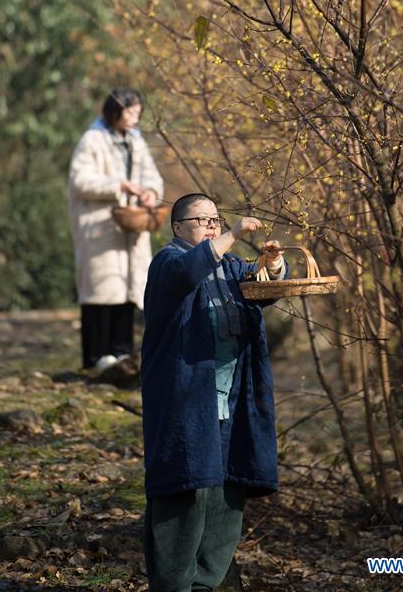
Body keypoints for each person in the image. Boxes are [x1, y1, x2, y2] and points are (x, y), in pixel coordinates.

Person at [141, 192, 288, 592]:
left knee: (227, 490)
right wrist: (235, 232)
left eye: (215, 219)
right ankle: (173, 585)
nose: (211, 225)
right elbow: (190, 272)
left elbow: (268, 288)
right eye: (201, 219)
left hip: (233, 399)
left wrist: (273, 263)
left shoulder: (232, 267)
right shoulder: (168, 263)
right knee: (186, 490)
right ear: (177, 228)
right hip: (185, 401)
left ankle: (207, 583)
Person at [68, 87, 164, 371]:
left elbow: (152, 176)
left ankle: (121, 352)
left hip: (130, 226)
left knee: (127, 288)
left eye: (138, 113)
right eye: (130, 112)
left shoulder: (136, 141)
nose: (135, 118)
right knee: (100, 290)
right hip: (98, 226)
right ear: (114, 111)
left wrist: (149, 192)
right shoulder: (92, 140)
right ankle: (96, 357)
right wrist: (117, 186)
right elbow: (80, 181)